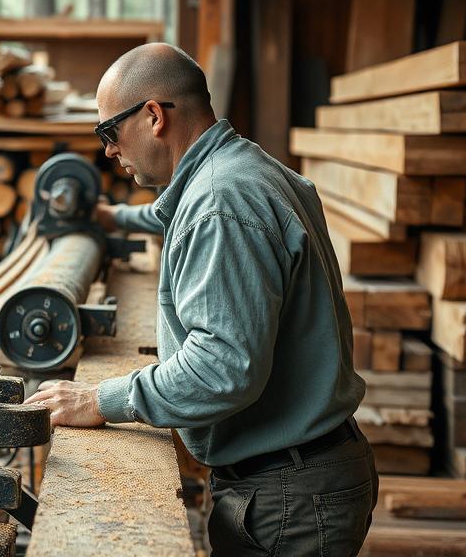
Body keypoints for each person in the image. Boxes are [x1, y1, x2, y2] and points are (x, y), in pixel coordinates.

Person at [25, 42, 377, 556]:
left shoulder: (220, 204)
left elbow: (221, 370)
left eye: (108, 132)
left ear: (152, 116)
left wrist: (100, 399)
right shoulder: (244, 170)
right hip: (300, 473)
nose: (107, 150)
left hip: (289, 495)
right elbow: (181, 214)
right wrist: (112, 218)